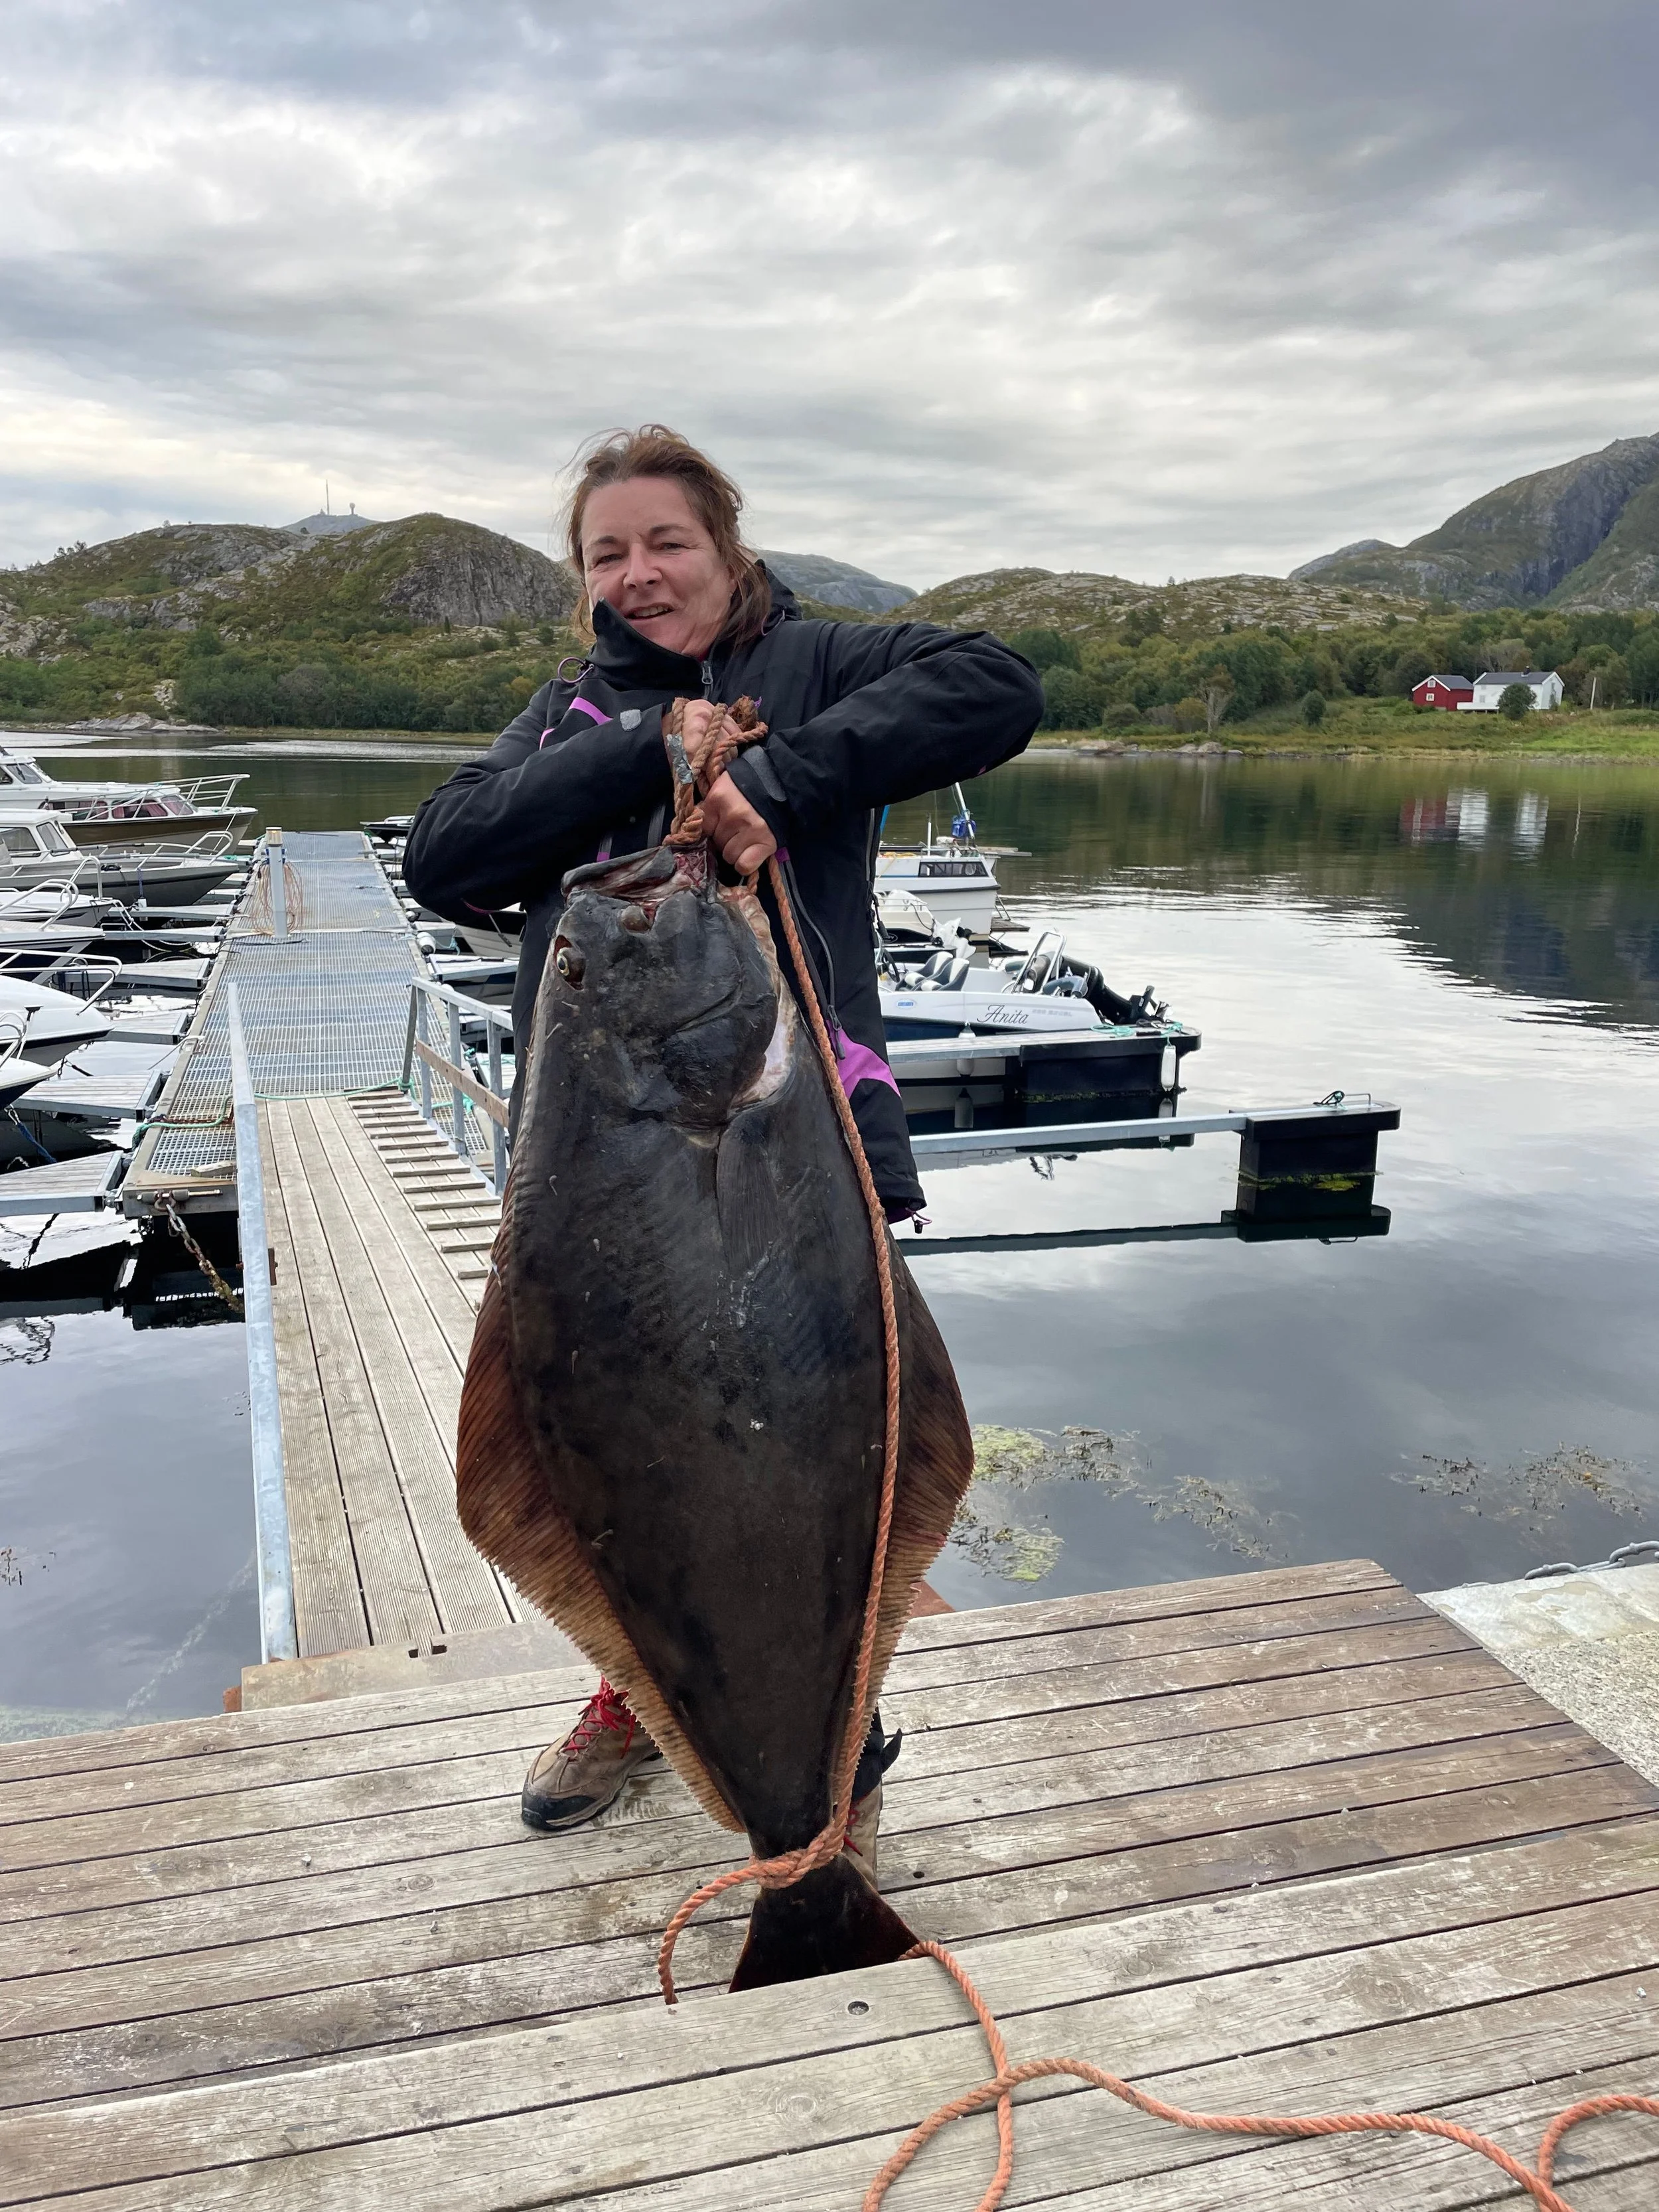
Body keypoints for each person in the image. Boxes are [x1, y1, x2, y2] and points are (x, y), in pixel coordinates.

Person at [403, 425, 1041, 1866]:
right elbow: (445, 855)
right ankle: (640, 1694)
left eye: (665, 542)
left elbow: (995, 683)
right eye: (605, 555)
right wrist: (645, 745)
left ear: (726, 545)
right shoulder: (573, 710)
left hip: (795, 1138)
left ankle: (835, 1737)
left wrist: (784, 780)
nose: (638, 575)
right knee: (622, 1451)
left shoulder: (811, 667)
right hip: (603, 1175)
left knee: (830, 1445)